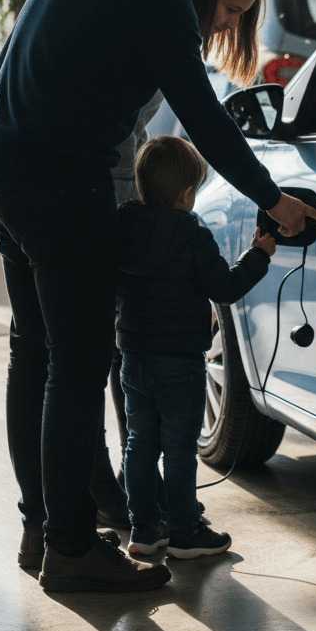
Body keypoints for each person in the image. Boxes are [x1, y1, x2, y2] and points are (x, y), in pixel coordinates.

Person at [0, 0, 316, 594]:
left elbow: (13, 60)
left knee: (34, 354)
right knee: (77, 361)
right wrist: (272, 198)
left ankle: (40, 527)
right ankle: (72, 550)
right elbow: (202, 112)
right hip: (61, 184)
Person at [90, 0, 267, 525]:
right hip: (103, 175)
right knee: (87, 364)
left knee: (130, 402)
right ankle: (164, 514)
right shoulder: (169, 27)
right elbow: (205, 123)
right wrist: (268, 214)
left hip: (116, 179)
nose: (231, 26)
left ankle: (131, 507)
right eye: (232, 9)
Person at [117, 135, 275, 558]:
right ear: (187, 194)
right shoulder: (192, 236)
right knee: (180, 450)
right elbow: (223, 288)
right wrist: (258, 254)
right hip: (180, 363)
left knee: (139, 444)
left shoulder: (122, 227)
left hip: (132, 358)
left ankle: (145, 530)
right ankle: (186, 530)